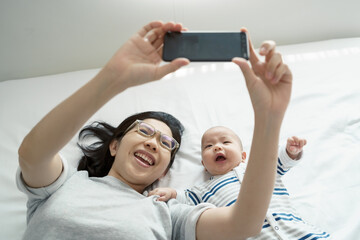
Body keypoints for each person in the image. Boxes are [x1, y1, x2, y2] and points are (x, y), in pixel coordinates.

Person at [16, 20, 293, 240]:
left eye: (165, 144)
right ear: (115, 145)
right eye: (145, 131)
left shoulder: (168, 214)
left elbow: (243, 223)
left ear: (163, 172)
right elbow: (32, 155)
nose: (153, 144)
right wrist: (112, 79)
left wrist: (269, 119)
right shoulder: (66, 184)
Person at [149, 127, 331, 239]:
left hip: (298, 231)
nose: (217, 147)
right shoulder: (203, 189)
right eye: (208, 146)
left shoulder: (258, 169)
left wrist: (291, 152)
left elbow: (279, 161)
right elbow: (184, 199)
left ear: (243, 156)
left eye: (225, 142)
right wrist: (171, 193)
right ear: (204, 164)